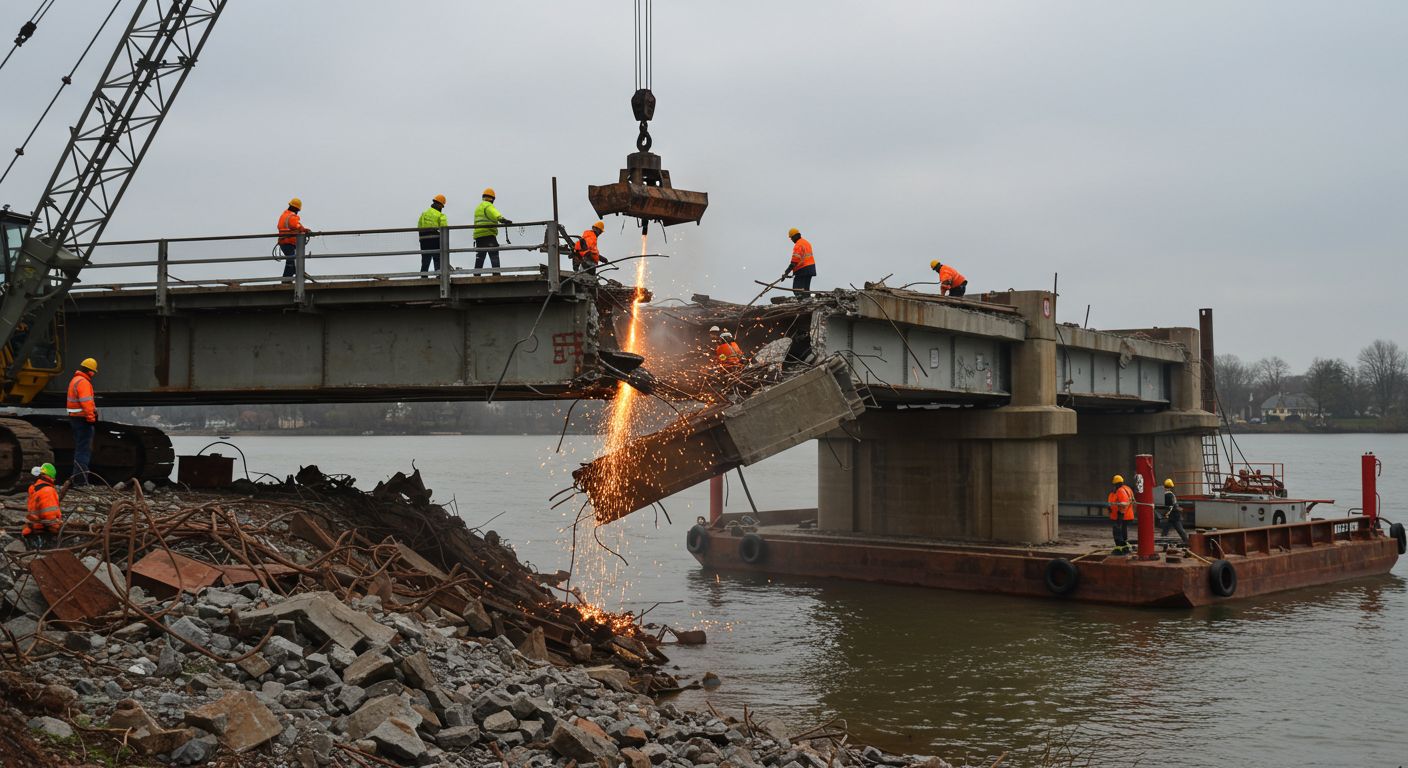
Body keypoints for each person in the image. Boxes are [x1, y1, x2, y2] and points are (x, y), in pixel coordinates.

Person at [66, 357, 98, 486]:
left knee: (80, 448)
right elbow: (86, 403)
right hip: (83, 420)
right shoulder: (83, 382)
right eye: (93, 372)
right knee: (83, 450)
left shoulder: (75, 380)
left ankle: (78, 479)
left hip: (75, 419)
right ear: (90, 371)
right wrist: (91, 418)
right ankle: (80, 481)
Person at [22, 463, 62, 550]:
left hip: (32, 529)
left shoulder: (34, 488)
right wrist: (58, 529)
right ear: (51, 477)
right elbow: (50, 518)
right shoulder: (48, 491)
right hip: (42, 533)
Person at [473, 188, 512, 273]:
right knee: (494, 255)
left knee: (480, 256)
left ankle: (476, 275)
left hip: (479, 236)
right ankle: (496, 274)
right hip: (488, 234)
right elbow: (494, 213)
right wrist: (502, 219)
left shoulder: (478, 208)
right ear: (492, 198)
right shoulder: (488, 206)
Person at [277, 198, 312, 279]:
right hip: (288, 242)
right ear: (296, 208)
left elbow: (295, 226)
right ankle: (287, 279)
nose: (297, 212)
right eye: (298, 210)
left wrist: (303, 229)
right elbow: (297, 226)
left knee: (292, 259)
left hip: (284, 242)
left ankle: (297, 273)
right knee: (292, 259)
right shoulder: (292, 217)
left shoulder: (284, 215)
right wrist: (305, 230)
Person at [417, 194, 449, 274]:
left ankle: (423, 275)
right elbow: (444, 228)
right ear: (441, 205)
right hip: (435, 239)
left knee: (425, 259)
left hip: (423, 239)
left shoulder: (424, 213)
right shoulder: (441, 215)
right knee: (437, 258)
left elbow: (418, 226)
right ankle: (438, 274)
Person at [1107, 474, 1134, 554]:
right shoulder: (1127, 488)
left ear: (1116, 483)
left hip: (1121, 516)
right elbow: (1131, 500)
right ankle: (1125, 548)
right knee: (1123, 531)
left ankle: (1119, 549)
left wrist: (1115, 505)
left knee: (1117, 531)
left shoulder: (1120, 491)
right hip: (1126, 515)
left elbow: (1124, 503)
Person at [783, 228, 816, 293]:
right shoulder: (806, 242)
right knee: (805, 290)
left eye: (791, 238)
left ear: (795, 236)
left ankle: (802, 301)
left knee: (797, 290)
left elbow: (794, 261)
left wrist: (786, 272)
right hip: (810, 269)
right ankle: (807, 301)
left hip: (802, 270)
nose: (791, 240)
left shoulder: (798, 245)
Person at [1160, 478, 1189, 545]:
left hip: (1171, 515)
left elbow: (1168, 505)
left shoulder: (1166, 495)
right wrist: (1178, 509)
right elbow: (1173, 505)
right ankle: (1186, 541)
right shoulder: (1171, 495)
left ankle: (1186, 541)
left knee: (1167, 529)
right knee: (1178, 529)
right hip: (1174, 515)